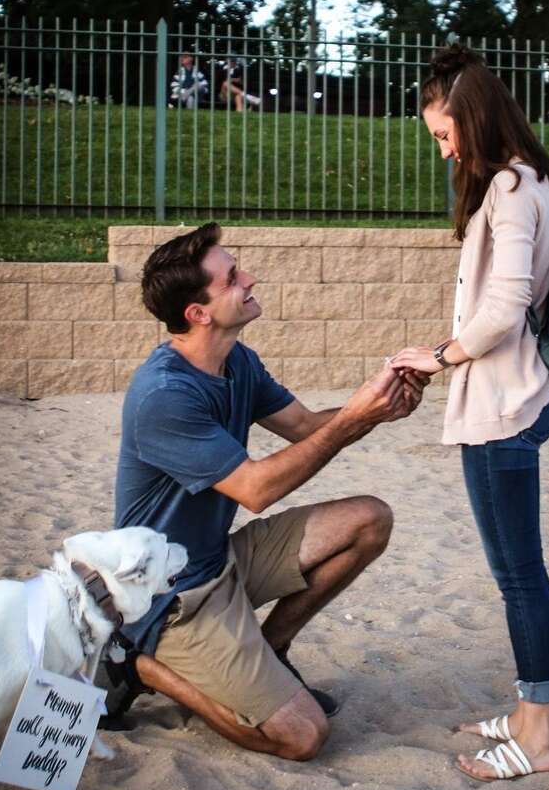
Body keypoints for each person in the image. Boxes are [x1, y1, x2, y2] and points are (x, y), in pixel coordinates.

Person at [108, 222, 427, 762]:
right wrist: (352, 420)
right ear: (198, 313)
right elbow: (257, 489)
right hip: (170, 600)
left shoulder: (238, 361)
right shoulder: (164, 395)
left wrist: (381, 405)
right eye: (233, 277)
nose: (249, 278)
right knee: (302, 737)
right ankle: (143, 668)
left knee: (370, 519)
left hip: (219, 562)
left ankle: (271, 650)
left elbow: (306, 427)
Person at [390, 46, 549, 783]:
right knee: (515, 573)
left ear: (474, 118)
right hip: (510, 398)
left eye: (444, 135)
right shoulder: (536, 183)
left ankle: (544, 735)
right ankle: (528, 716)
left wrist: (442, 354)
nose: (443, 151)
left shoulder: (511, 189)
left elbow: (505, 304)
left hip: (503, 404)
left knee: (520, 576)